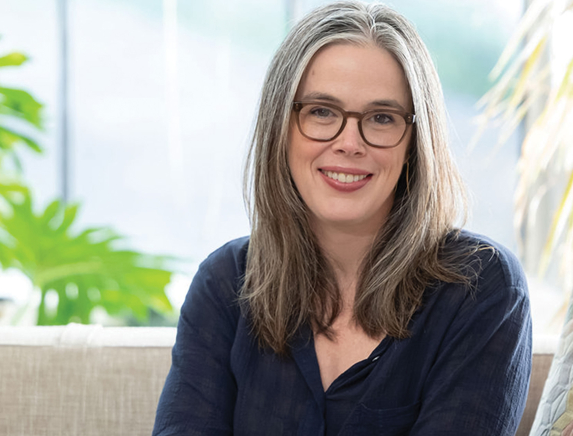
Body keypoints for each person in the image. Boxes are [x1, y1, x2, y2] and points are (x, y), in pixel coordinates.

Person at [153, 2, 532, 435]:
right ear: (281, 126)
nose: (349, 143)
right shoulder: (224, 285)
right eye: (321, 111)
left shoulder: (481, 289)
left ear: (415, 142)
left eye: (382, 118)